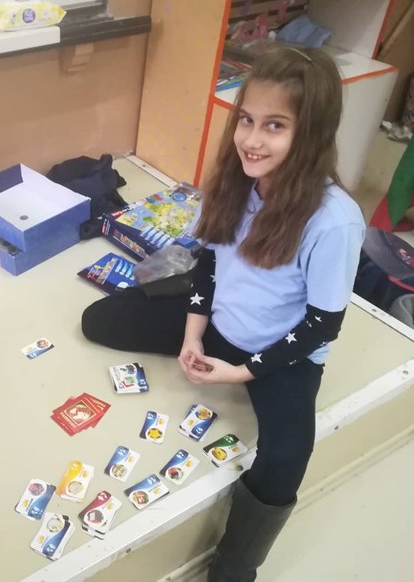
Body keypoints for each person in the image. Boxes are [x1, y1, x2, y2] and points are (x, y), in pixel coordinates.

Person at [81, 46, 365, 581]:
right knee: (100, 320)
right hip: (219, 324)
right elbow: (209, 263)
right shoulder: (237, 181)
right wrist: (193, 334)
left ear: (311, 133)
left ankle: (235, 568)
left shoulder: (335, 221)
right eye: (247, 120)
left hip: (280, 353)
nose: (251, 140)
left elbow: (322, 324)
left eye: (275, 126)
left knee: (287, 455)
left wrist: (242, 372)